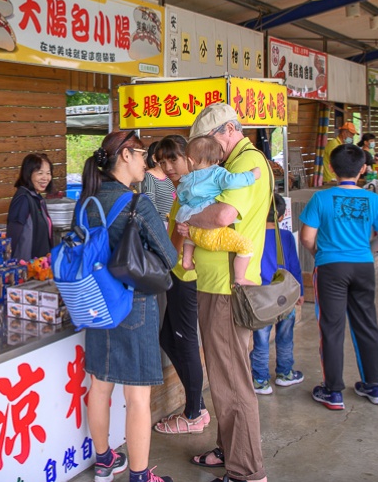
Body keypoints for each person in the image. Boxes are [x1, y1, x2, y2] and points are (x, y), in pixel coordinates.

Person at [79, 131, 178, 482]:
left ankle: (105, 460)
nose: (145, 162)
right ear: (124, 155)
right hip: (133, 306)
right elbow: (170, 256)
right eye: (141, 154)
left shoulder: (86, 203)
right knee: (137, 398)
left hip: (95, 305)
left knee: (100, 386)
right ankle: (139, 475)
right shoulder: (139, 204)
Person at [182, 103, 270, 482]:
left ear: (231, 129)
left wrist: (186, 219)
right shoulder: (237, 161)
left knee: (232, 380)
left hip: (225, 288)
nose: (208, 151)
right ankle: (228, 449)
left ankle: (247, 471)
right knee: (224, 375)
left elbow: (221, 216)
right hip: (218, 282)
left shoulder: (241, 164)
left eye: (211, 141)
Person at [299, 144, 378, 409]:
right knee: (367, 324)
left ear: (331, 168)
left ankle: (332, 391)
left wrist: (319, 252)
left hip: (331, 268)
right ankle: (374, 386)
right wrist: (367, 249)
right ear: (363, 169)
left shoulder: (321, 199)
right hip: (363, 266)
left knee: (331, 328)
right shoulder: (373, 199)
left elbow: (307, 238)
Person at [153, 135, 210, 435]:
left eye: (172, 159)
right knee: (168, 337)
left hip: (187, 278)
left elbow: (176, 247)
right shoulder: (185, 191)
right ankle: (197, 404)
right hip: (180, 277)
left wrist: (169, 240)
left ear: (189, 157)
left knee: (186, 342)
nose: (167, 166)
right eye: (162, 162)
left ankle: (193, 413)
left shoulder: (193, 193)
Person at [174, 136, 260, 272]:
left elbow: (182, 201)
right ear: (218, 160)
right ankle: (240, 277)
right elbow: (232, 181)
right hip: (211, 233)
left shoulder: (185, 181)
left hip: (193, 233)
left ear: (190, 161)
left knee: (189, 237)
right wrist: (252, 175)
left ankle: (187, 260)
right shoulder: (217, 173)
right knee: (245, 245)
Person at [250, 194, 304, 395]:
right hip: (285, 297)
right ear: (281, 217)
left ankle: (260, 380)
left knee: (261, 340)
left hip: (261, 298)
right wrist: (301, 291)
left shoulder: (252, 237)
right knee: (285, 336)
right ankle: (284, 373)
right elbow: (294, 267)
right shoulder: (287, 237)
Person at [5, 153, 54, 262]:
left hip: (40, 265)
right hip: (26, 268)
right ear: (28, 174)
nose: (45, 178)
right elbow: (13, 236)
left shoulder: (37, 198)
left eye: (48, 173)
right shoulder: (23, 199)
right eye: (40, 173)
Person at [140, 139, 176, 222]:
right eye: (163, 159)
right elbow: (150, 201)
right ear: (154, 158)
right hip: (161, 223)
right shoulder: (149, 176)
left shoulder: (169, 176)